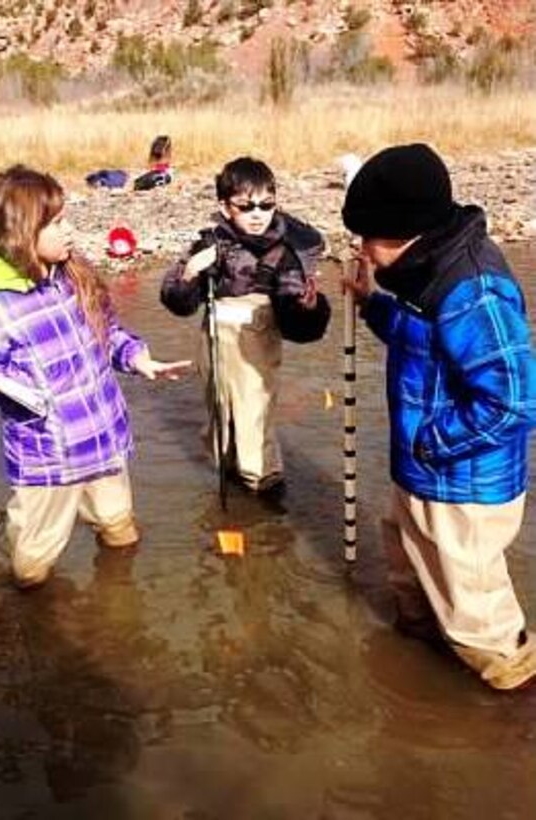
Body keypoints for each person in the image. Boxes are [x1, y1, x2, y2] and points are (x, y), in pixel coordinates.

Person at [0, 165, 191, 588]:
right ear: (21, 232)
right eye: (56, 224)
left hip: (102, 441)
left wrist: (138, 358)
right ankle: (31, 629)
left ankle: (116, 605)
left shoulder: (73, 276)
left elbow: (108, 332)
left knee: (121, 533)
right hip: (48, 460)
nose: (69, 231)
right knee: (31, 569)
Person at [341, 142, 536, 691]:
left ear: (407, 232)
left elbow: (516, 401)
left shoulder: (474, 288)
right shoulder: (420, 271)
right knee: (413, 584)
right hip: (422, 476)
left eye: (368, 238)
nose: (361, 249)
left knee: (484, 629)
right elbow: (421, 339)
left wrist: (429, 443)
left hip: (463, 489)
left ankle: (511, 724)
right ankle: (415, 676)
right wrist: (370, 302)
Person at [160, 156, 329, 494]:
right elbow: (178, 302)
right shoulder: (210, 244)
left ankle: (266, 489)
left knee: (254, 416)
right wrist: (191, 272)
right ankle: (231, 476)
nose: (257, 214)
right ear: (225, 207)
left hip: (257, 344)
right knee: (219, 415)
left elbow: (299, 327)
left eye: (266, 205)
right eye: (245, 206)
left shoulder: (286, 254)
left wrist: (307, 307)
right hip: (213, 342)